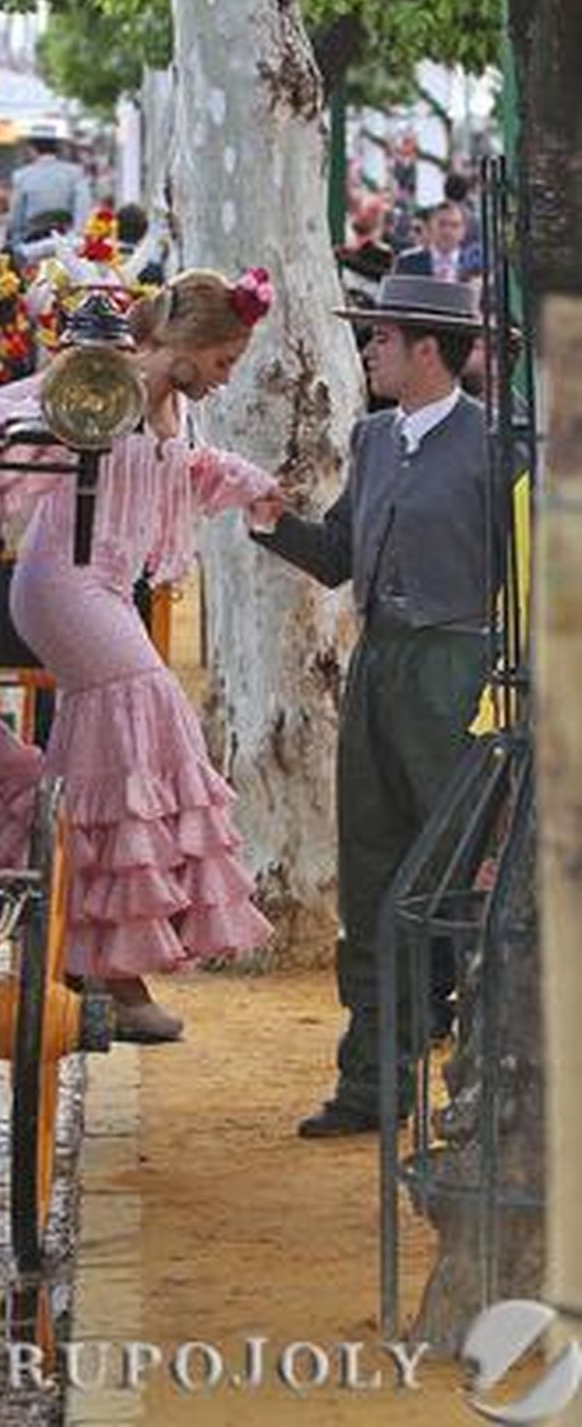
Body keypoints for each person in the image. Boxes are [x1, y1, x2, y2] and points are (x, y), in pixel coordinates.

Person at [0, 268, 282, 1041]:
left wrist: (257, 485)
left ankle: (82, 945)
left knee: (113, 750)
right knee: (146, 711)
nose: (226, 379)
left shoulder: (170, 409)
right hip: (62, 584)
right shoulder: (103, 380)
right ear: (187, 345)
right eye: (225, 361)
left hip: (106, 588)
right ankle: (108, 966)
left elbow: (184, 474)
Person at [251, 274, 490, 1137]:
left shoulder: (498, 447)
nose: (369, 350)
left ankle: (481, 1087)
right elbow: (340, 555)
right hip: (382, 666)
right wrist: (269, 519)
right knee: (376, 872)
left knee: (465, 880)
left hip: (462, 677)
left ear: (428, 349)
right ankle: (373, 1083)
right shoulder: (375, 437)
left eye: (381, 337)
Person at [7, 125, 92, 249]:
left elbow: (16, 216)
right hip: (66, 240)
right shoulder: (75, 173)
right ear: (57, 148)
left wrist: (17, 242)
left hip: (32, 241)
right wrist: (74, 237)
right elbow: (83, 208)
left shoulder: (21, 175)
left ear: (32, 148)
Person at [394, 200, 481, 282]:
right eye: (441, 224)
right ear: (430, 227)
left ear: (463, 232)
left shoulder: (477, 266)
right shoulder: (407, 263)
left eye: (454, 225)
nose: (447, 231)